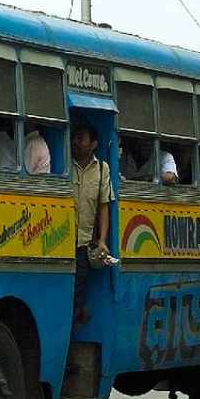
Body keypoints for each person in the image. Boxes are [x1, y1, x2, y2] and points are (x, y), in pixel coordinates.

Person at [71, 122, 114, 325]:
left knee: (77, 292)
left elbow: (103, 206)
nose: (75, 142)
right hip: (61, 240)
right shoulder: (65, 164)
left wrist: (102, 240)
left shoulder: (102, 169)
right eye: (75, 137)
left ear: (94, 144)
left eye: (81, 138)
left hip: (84, 244)